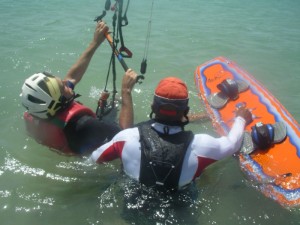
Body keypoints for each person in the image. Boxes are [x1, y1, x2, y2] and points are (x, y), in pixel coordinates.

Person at [89, 77, 252, 191]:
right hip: (179, 206)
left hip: (135, 205)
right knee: (203, 173)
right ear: (186, 111)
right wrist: (240, 119)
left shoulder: (126, 138)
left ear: (153, 107)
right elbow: (233, 144)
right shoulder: (201, 146)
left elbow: (95, 159)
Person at [21, 21, 138, 155]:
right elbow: (125, 138)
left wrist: (95, 42)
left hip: (71, 140)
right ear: (57, 101)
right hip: (90, 146)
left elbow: (72, 77)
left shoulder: (39, 110)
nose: (67, 83)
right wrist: (126, 91)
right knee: (121, 106)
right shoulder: (84, 125)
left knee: (112, 104)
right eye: (63, 86)